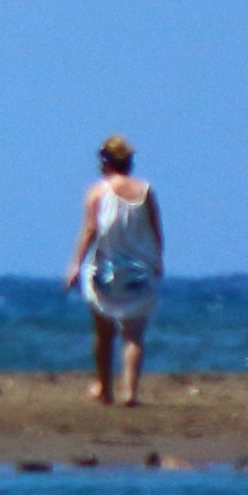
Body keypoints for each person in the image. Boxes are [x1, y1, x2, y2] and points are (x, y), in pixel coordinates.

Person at [62, 134, 164, 409]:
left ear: (105, 162)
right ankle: (129, 391)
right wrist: (158, 260)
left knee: (103, 333)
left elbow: (90, 229)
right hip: (139, 270)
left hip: (105, 268)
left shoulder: (97, 192)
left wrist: (74, 264)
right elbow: (156, 229)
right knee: (133, 334)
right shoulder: (145, 190)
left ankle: (105, 389)